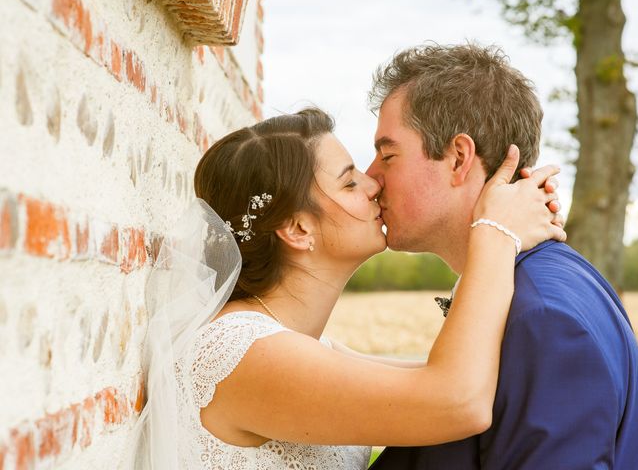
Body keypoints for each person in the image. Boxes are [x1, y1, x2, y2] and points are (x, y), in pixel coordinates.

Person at [130, 107, 564, 470]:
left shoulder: (303, 348)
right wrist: (494, 232)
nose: (374, 183)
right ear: (298, 229)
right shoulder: (242, 354)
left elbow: (475, 376)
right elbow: (457, 401)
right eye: (350, 182)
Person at [366, 43, 638, 470]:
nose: (370, 177)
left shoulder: (544, 317)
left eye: (388, 155)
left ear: (458, 158)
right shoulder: (529, 285)